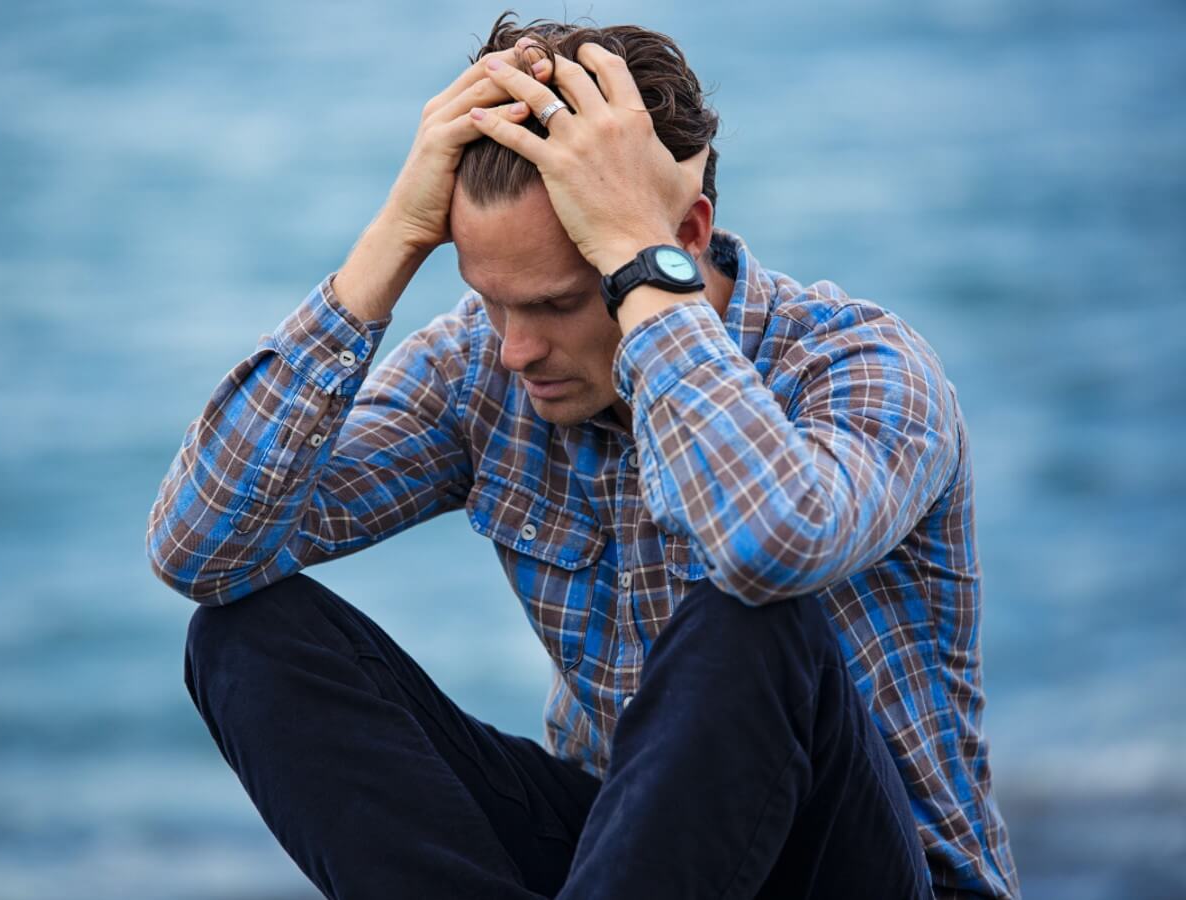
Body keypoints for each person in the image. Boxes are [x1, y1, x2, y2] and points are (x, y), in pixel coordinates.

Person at [146, 12, 1021, 900]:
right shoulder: (482, 371)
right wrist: (391, 243)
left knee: (753, 615)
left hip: (870, 873)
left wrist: (643, 274)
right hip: (627, 857)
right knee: (244, 637)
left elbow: (768, 544)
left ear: (681, 236)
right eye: (492, 301)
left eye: (559, 304)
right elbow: (200, 550)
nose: (517, 349)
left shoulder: (860, 367)